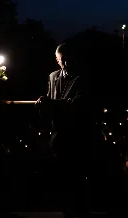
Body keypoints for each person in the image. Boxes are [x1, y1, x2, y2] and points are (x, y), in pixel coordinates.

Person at [36, 43, 91, 218]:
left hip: (77, 134)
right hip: (57, 134)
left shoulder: (82, 78)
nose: (65, 63)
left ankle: (78, 211)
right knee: (63, 177)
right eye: (62, 59)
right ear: (57, 59)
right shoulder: (52, 76)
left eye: (68, 58)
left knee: (78, 176)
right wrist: (43, 106)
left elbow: (78, 104)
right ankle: (68, 210)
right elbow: (51, 102)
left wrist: (50, 103)